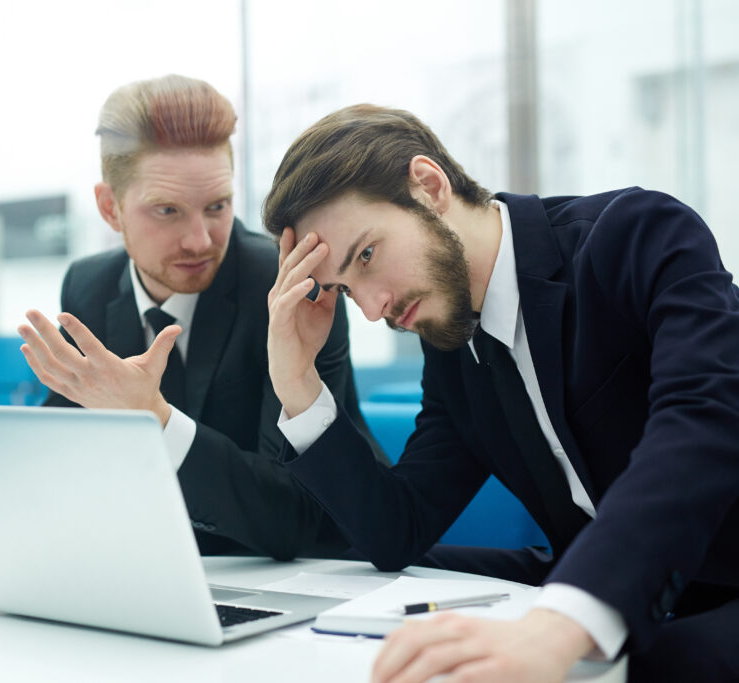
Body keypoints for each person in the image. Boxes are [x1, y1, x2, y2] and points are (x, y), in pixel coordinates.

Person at [261, 104, 739, 681]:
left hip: (719, 577)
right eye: (343, 285)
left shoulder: (635, 233)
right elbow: (398, 530)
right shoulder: (452, 344)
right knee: (372, 591)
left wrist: (561, 624)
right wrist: (297, 383)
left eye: (366, 255)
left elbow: (702, 426)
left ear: (429, 185)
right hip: (604, 582)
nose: (370, 309)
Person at [0, 75, 384, 561]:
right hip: (151, 574)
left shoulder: (286, 292)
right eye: (168, 211)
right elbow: (64, 464)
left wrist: (157, 418)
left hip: (311, 583)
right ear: (110, 209)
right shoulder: (89, 288)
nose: (200, 239)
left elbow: (290, 520)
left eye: (217, 206)